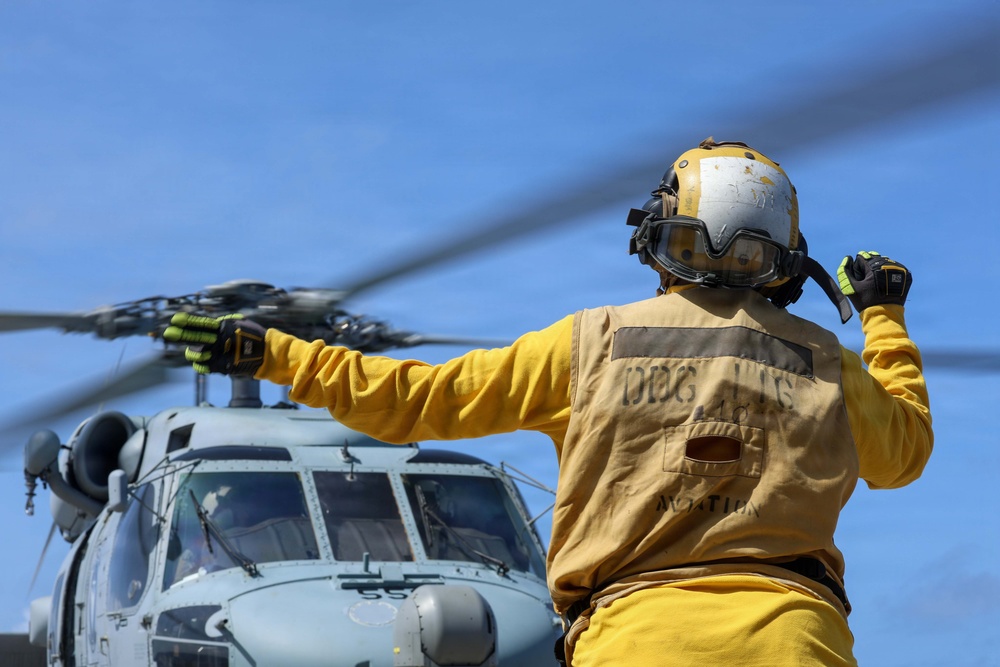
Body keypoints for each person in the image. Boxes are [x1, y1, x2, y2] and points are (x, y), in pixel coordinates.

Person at [164, 138, 932, 666]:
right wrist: (884, 319)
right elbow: (903, 456)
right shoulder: (828, 360)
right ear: (785, 257)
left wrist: (273, 353)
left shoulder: (591, 343)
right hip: (800, 642)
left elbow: (410, 401)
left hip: (632, 640)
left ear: (664, 233)